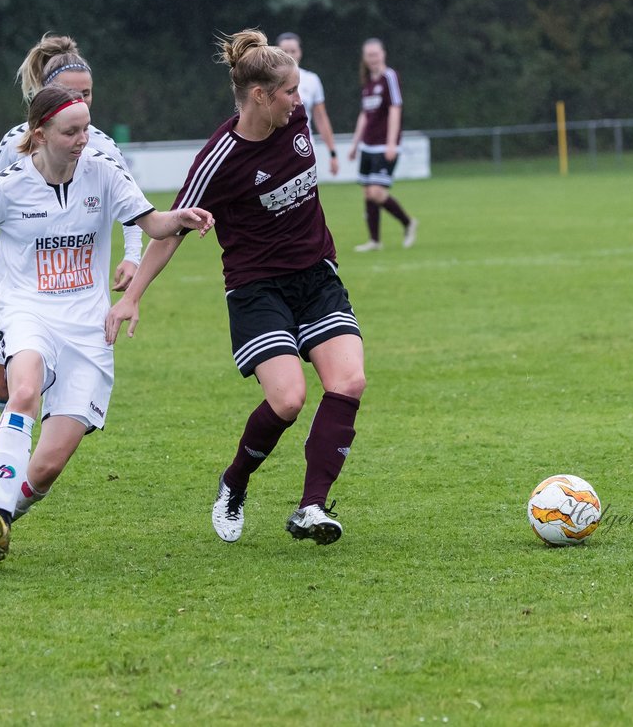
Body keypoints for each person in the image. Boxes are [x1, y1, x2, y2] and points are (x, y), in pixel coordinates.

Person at [0, 85, 213, 561]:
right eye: (72, 131)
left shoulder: (104, 174)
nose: (84, 139)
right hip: (26, 308)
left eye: (86, 128)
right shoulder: (9, 184)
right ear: (40, 134)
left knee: (50, 465)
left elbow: (152, 223)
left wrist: (178, 217)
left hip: (87, 326)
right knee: (24, 390)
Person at [105, 28, 367, 547]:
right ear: (260, 97)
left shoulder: (297, 122)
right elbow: (173, 229)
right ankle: (234, 481)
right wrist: (132, 297)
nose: (299, 100)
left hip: (316, 276)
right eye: (290, 92)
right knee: (289, 400)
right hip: (257, 290)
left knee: (349, 383)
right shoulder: (218, 159)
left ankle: (311, 507)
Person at [0, 35, 143, 415]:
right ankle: (13, 450)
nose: (81, 101)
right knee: (4, 386)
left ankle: (12, 465)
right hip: (12, 281)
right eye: (69, 92)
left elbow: (135, 206)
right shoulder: (15, 143)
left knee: (40, 385)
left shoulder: (103, 147)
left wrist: (133, 256)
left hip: (72, 288)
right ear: (45, 93)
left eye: (87, 93)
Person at [346, 38, 417, 252]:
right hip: (367, 145)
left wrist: (391, 143)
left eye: (376, 54)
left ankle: (408, 222)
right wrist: (355, 143)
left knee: (377, 192)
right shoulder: (368, 83)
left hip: (383, 145)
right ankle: (375, 241)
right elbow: (364, 115)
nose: (373, 59)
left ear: (383, 54)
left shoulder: (390, 77)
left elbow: (396, 109)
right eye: (369, 55)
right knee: (368, 193)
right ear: (365, 58)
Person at [275, 32, 339, 176]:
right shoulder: (268, 81)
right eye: (285, 51)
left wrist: (332, 153)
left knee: (307, 196)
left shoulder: (312, 80)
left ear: (300, 53)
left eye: (293, 51)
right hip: (276, 148)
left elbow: (321, 118)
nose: (289, 55)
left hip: (303, 148)